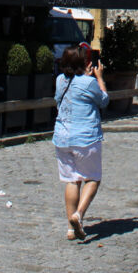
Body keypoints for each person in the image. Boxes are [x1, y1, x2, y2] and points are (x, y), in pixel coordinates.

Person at [52, 44, 109, 241]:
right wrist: (99, 78)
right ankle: (78, 214)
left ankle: (70, 227)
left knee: (71, 180)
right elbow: (103, 101)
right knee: (92, 178)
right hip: (85, 138)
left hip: (62, 137)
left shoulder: (60, 80)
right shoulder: (88, 83)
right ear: (84, 63)